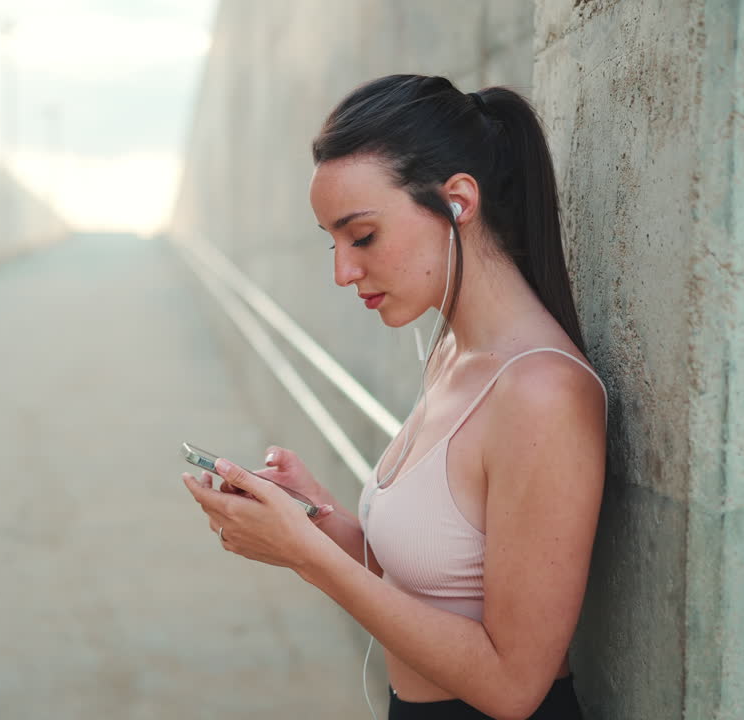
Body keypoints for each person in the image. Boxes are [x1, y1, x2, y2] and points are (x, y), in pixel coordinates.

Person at [182, 74, 607, 720]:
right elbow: (429, 586)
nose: (342, 272)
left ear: (458, 201)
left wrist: (308, 558)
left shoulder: (542, 393)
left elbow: (514, 686)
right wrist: (315, 519)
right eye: (333, 242)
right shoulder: (449, 352)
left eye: (363, 236)